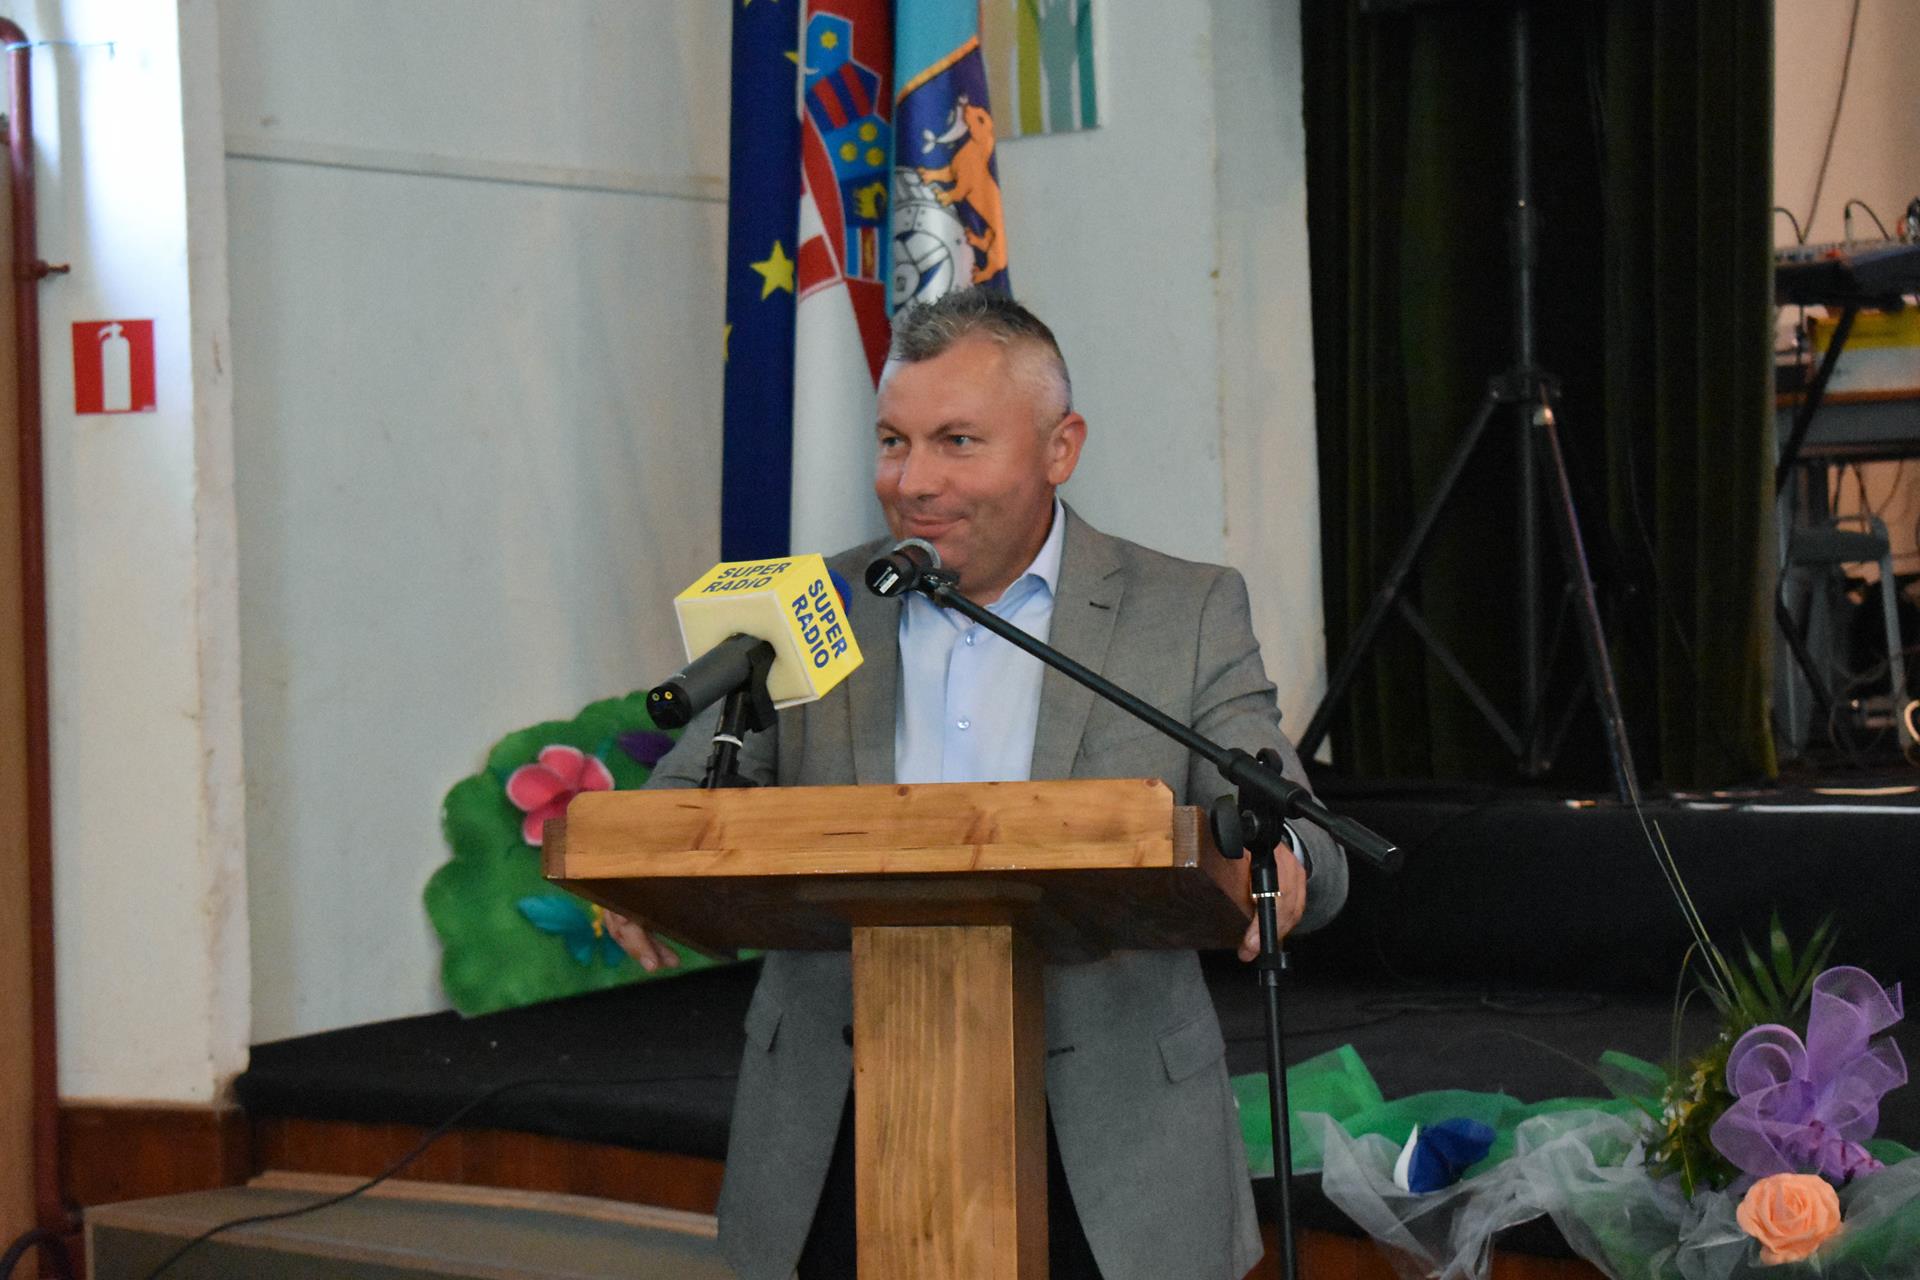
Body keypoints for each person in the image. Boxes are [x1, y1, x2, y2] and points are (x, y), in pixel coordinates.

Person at [608, 289, 1348, 1280]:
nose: (913, 481)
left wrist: (1282, 857)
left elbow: (1293, 821)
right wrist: (643, 864)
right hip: (839, 1119)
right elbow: (685, 795)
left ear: (1060, 447)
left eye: (957, 441)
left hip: (1108, 1137)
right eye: (893, 442)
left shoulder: (1184, 610)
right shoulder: (809, 605)